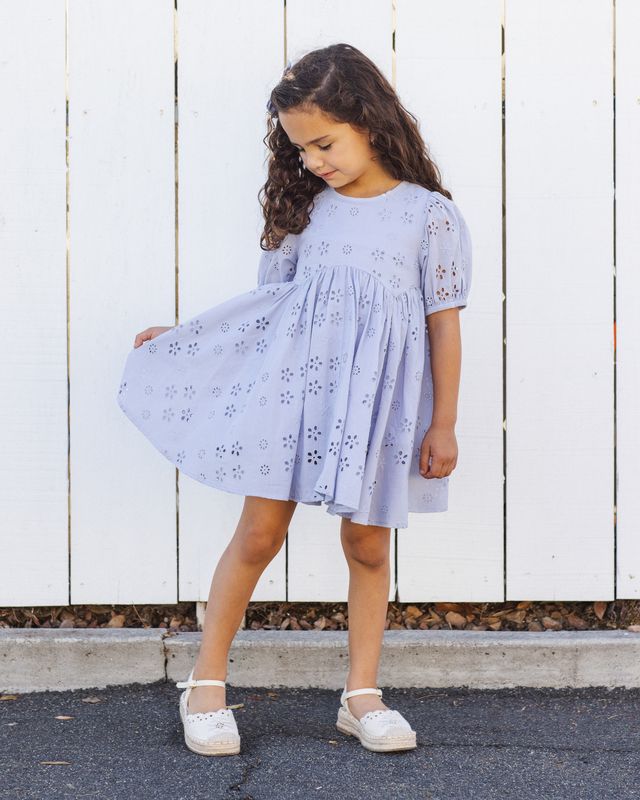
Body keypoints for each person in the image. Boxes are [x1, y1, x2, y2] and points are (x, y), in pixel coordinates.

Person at [116, 42, 472, 757]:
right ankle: (206, 684)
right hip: (293, 397)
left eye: (324, 144)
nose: (312, 162)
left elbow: (443, 324)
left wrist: (444, 424)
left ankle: (361, 696)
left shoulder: (429, 216)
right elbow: (269, 312)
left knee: (367, 545)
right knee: (258, 535)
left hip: (377, 407)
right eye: (301, 149)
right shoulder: (307, 211)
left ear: (369, 121)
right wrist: (186, 336)